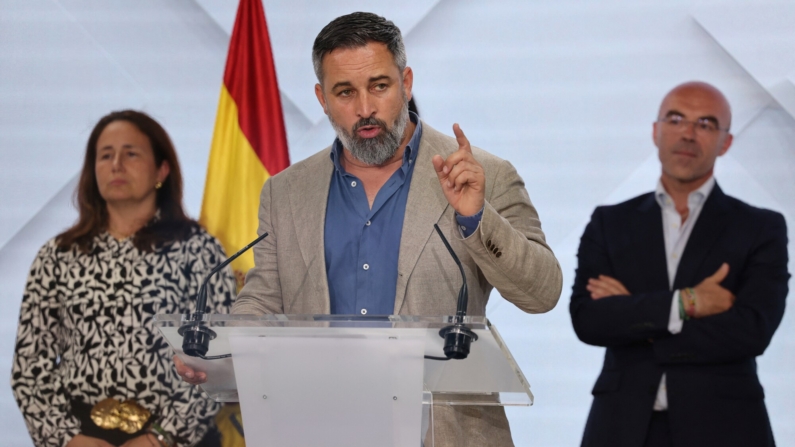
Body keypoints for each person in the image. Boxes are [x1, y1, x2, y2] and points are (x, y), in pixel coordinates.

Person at [176, 11, 562, 447]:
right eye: (345, 92)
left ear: (406, 81)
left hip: (444, 433)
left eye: (379, 86)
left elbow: (542, 292)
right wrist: (219, 352)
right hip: (318, 429)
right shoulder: (285, 192)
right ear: (322, 98)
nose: (365, 108)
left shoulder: (483, 173)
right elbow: (266, 297)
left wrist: (476, 217)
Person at [569, 82, 789, 447]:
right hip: (621, 427)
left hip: (727, 428)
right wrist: (688, 303)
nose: (687, 133)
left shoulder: (760, 227)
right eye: (676, 119)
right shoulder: (611, 222)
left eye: (705, 123)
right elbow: (589, 320)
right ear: (656, 132)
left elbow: (752, 329)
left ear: (727, 142)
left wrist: (637, 318)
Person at [12, 110, 236, 447]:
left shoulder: (199, 250)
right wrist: (69, 439)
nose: (116, 164)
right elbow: (30, 369)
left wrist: (159, 437)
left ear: (162, 169)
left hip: (172, 436)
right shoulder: (57, 255)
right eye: (105, 155)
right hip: (80, 436)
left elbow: (219, 361)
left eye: (131, 153)